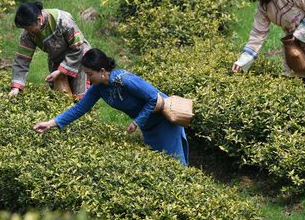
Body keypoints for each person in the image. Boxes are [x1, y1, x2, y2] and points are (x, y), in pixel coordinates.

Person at [33, 49, 189, 166]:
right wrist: (50, 123)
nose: (87, 79)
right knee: (160, 164)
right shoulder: (98, 87)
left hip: (164, 123)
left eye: (89, 74)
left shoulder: (125, 80)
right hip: (149, 127)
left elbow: (154, 99)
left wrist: (136, 122)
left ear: (102, 71)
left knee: (175, 164)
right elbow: (79, 109)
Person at [9, 1, 91, 98]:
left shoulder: (62, 20)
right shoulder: (28, 33)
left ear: (39, 19)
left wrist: (61, 71)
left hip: (78, 57)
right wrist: (16, 88)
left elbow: (78, 46)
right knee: (60, 98)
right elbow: (22, 59)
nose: (27, 31)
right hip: (57, 59)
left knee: (80, 97)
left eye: (29, 28)